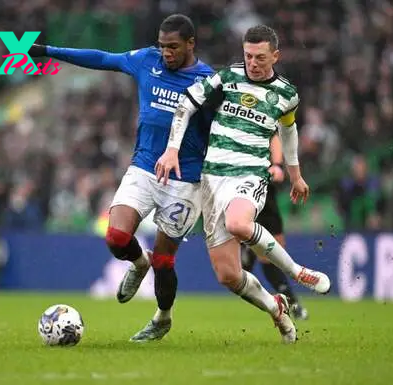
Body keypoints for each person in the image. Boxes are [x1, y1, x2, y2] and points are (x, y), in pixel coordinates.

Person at [29, 14, 214, 340]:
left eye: (173, 47)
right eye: (162, 46)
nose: (166, 53)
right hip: (143, 167)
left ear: (190, 44)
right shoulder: (147, 60)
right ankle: (137, 263)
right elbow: (102, 58)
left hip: (186, 179)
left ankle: (162, 317)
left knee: (164, 260)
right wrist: (47, 50)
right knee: (116, 237)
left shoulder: (208, 81)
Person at [155, 25, 331, 343]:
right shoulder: (227, 77)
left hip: (250, 174)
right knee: (229, 275)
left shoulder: (286, 95)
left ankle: (296, 272)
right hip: (212, 180)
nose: (253, 62)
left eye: (260, 57)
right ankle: (276, 309)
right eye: (248, 55)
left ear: (275, 56)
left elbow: (288, 132)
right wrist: (172, 149)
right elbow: (187, 103)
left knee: (239, 224)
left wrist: (295, 174)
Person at [240, 134, 308, 320]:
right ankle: (288, 305)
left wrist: (276, 165)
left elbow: (274, 136)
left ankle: (290, 304)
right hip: (236, 187)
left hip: (263, 188)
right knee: (241, 270)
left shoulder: (260, 112)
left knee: (273, 256)